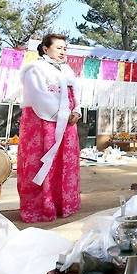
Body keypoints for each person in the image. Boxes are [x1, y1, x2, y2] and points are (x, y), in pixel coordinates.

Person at [17, 33, 81, 223]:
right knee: (41, 162)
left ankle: (64, 204)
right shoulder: (35, 69)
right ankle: (41, 207)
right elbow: (39, 96)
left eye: (64, 48)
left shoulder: (67, 70)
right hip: (44, 122)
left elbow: (77, 92)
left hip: (67, 121)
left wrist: (77, 110)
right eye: (58, 48)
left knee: (65, 162)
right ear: (46, 48)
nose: (63, 52)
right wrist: (62, 113)